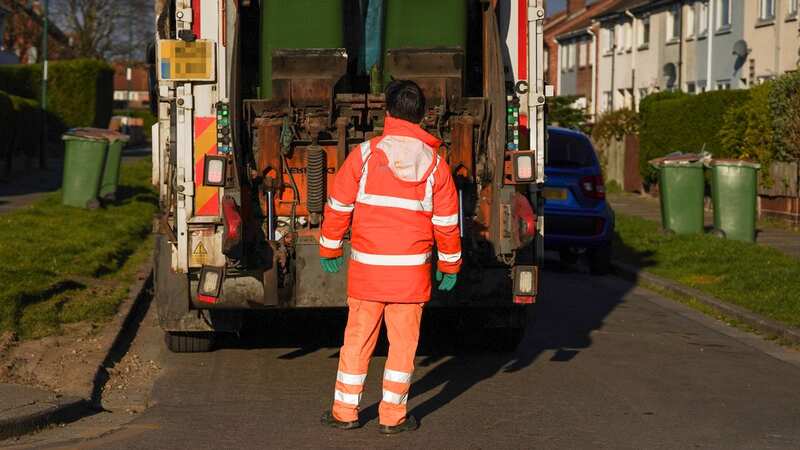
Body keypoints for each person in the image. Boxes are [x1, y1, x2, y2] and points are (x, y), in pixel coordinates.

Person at [318, 80, 462, 434]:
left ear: (388, 112)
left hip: (368, 272)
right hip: (410, 278)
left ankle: (344, 412)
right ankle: (392, 418)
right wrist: (450, 264)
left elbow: (339, 205)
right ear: (424, 115)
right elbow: (446, 223)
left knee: (357, 341)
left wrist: (329, 245)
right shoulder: (435, 165)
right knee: (402, 348)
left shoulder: (365, 155)